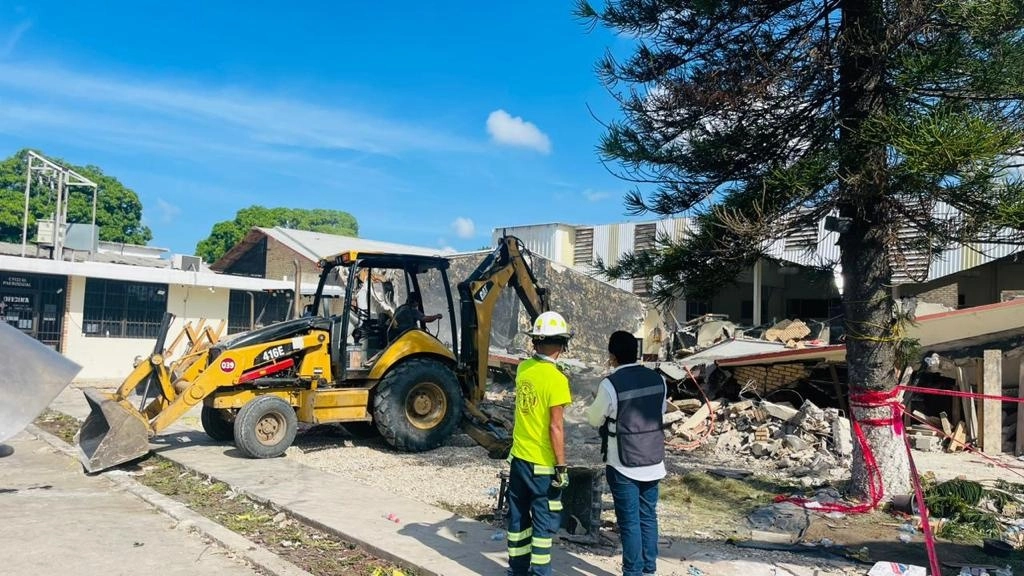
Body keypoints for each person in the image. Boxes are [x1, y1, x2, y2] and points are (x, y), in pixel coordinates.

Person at [586, 330, 667, 576]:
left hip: (622, 463)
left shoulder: (610, 384)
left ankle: (632, 572)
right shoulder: (658, 380)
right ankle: (649, 570)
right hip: (653, 460)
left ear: (612, 356)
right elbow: (659, 412)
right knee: (648, 517)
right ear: (637, 352)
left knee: (629, 522)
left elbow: (593, 418)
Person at [506, 311, 573, 576]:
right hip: (543, 464)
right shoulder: (557, 380)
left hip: (519, 458)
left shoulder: (523, 369)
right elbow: (555, 427)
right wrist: (561, 466)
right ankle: (541, 571)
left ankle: (517, 570)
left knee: (519, 516)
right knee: (544, 520)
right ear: (562, 344)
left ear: (536, 341)